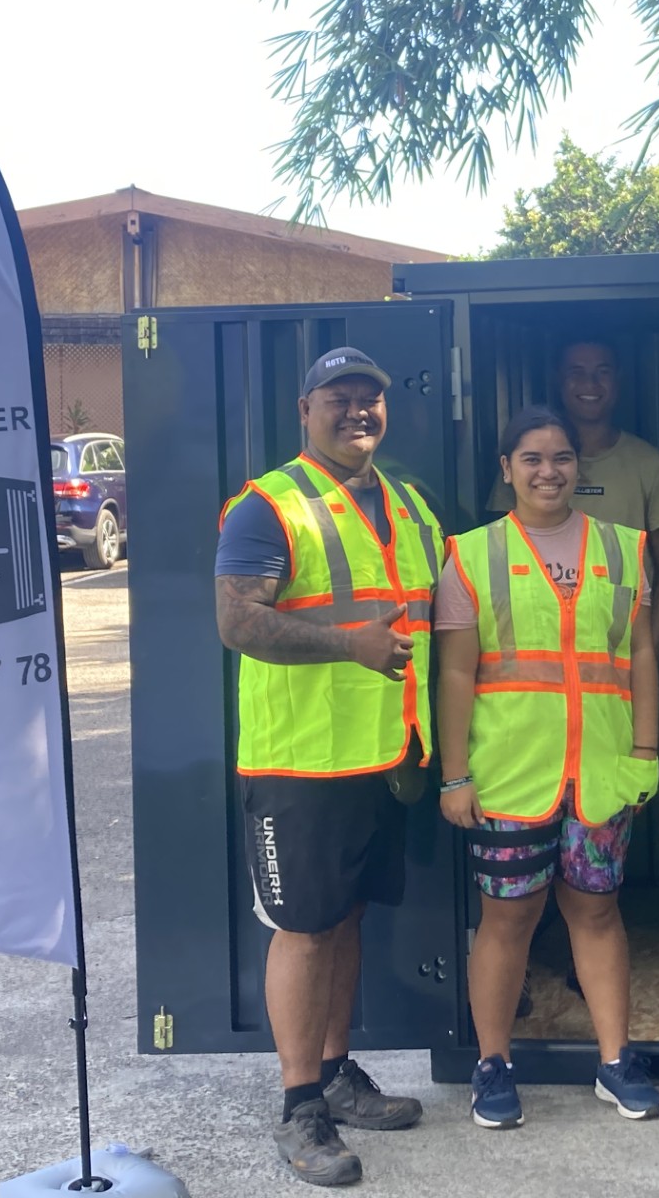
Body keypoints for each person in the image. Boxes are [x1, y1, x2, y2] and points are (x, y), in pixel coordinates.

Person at [214, 346, 441, 1187]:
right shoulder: (267, 507)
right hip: (299, 763)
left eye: (371, 399)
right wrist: (350, 646)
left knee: (344, 920)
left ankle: (339, 1073)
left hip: (382, 755)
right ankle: (299, 1105)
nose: (358, 412)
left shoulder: (410, 505)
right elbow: (237, 624)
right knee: (305, 931)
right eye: (340, 398)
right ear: (305, 410)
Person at [437, 405, 659, 1130]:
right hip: (510, 773)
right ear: (506, 469)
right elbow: (454, 675)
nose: (549, 470)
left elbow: (642, 654)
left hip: (601, 771)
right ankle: (493, 1064)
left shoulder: (626, 547)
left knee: (597, 911)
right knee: (508, 918)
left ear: (579, 468)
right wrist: (454, 775)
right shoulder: (472, 554)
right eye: (531, 458)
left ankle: (614, 1060)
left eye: (562, 457)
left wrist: (646, 751)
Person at [487, 338, 659, 648]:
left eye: (602, 371)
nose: (589, 383)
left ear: (618, 378)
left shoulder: (651, 465)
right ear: (558, 379)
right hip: (535, 643)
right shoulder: (525, 468)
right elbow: (498, 552)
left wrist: (650, 649)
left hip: (620, 651)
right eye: (576, 372)